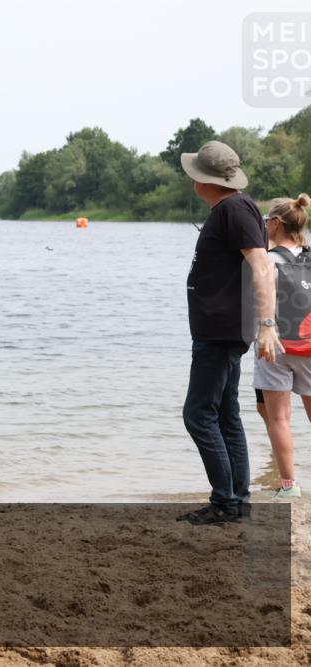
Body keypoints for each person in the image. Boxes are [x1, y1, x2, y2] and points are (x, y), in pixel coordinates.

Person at [177, 141, 280, 525]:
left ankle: (225, 502)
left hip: (220, 331)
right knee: (225, 415)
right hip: (222, 328)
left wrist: (267, 324)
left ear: (201, 180)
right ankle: (237, 499)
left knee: (198, 414)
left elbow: (262, 267)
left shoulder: (234, 209)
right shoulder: (233, 209)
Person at [254, 193, 311, 499]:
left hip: (275, 346)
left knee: (279, 418)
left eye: (265, 221)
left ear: (275, 224)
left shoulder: (267, 261)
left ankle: (289, 486)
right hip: (310, 345)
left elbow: (256, 305)